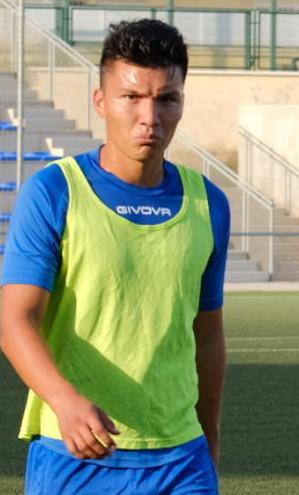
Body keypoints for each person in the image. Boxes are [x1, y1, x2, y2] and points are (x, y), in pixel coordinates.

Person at [0, 19, 229, 494]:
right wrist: (65, 402)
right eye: (132, 97)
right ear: (101, 101)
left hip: (181, 461)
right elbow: (15, 319)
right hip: (75, 455)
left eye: (167, 98)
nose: (150, 116)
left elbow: (207, 337)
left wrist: (208, 441)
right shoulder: (55, 192)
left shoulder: (209, 204)